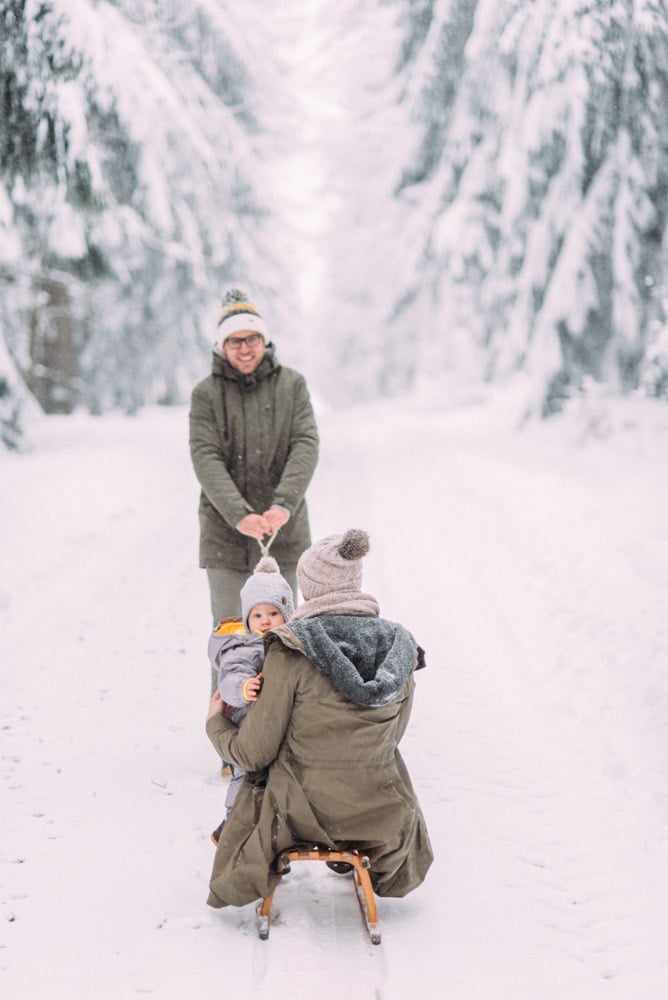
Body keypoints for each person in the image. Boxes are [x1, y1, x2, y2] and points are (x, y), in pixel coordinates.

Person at [205, 529, 433, 909]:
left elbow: (254, 753)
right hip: (383, 812)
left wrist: (216, 724)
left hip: (300, 812)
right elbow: (393, 735)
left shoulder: (291, 649)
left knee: (259, 782)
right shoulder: (400, 646)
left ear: (307, 592)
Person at [189, 287, 319, 692]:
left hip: (284, 532)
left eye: (252, 339)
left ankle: (280, 733)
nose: (244, 348)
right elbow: (205, 456)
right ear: (221, 345)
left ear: (264, 341)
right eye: (235, 340)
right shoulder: (206, 394)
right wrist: (239, 513)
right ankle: (228, 734)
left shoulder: (292, 385)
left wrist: (284, 504)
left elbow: (305, 444)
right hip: (225, 537)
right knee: (230, 634)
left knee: (282, 636)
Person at [208, 556, 294, 841]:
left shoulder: (293, 646)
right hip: (248, 726)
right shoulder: (243, 647)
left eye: (274, 613)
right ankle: (234, 822)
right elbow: (229, 678)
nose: (265, 621)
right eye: (257, 615)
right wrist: (243, 688)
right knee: (246, 777)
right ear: (247, 619)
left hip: (284, 727)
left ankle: (286, 827)